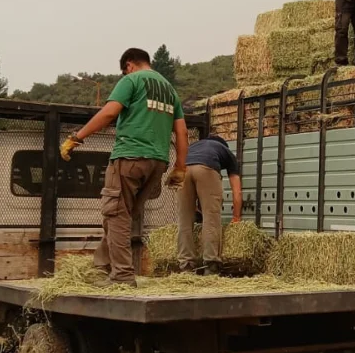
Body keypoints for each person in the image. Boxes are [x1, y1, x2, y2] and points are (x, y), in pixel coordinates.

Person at [61, 48, 188, 287]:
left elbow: (109, 112)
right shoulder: (170, 91)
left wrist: (76, 137)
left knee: (116, 214)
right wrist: (180, 166)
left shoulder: (132, 80)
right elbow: (181, 131)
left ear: (129, 65)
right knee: (123, 215)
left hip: (130, 157)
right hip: (158, 162)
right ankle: (101, 266)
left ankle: (122, 276)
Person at [177, 134, 242, 275]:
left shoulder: (194, 146)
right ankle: (211, 265)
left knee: (184, 221)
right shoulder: (227, 152)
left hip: (182, 169)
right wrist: (236, 218)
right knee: (211, 218)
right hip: (206, 168)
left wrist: (194, 208)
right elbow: (237, 193)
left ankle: (186, 266)